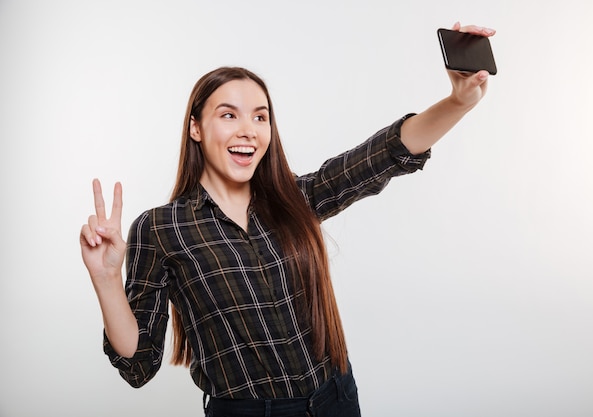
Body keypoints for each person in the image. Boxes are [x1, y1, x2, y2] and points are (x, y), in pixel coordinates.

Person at [80, 22, 495, 417]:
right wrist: (106, 280)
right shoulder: (161, 229)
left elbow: (381, 156)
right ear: (196, 129)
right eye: (229, 115)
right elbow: (138, 365)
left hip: (335, 399)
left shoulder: (295, 198)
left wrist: (459, 101)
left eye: (260, 117)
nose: (249, 130)